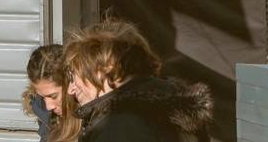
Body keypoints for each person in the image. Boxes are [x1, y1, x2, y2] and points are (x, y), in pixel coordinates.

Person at [64, 19, 213, 142]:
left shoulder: (122, 127)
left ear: (105, 68)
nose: (70, 89)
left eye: (73, 76)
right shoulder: (172, 106)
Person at [22, 44, 80, 142]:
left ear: (71, 83)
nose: (49, 106)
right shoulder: (43, 110)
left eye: (53, 96)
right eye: (43, 97)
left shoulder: (96, 122)